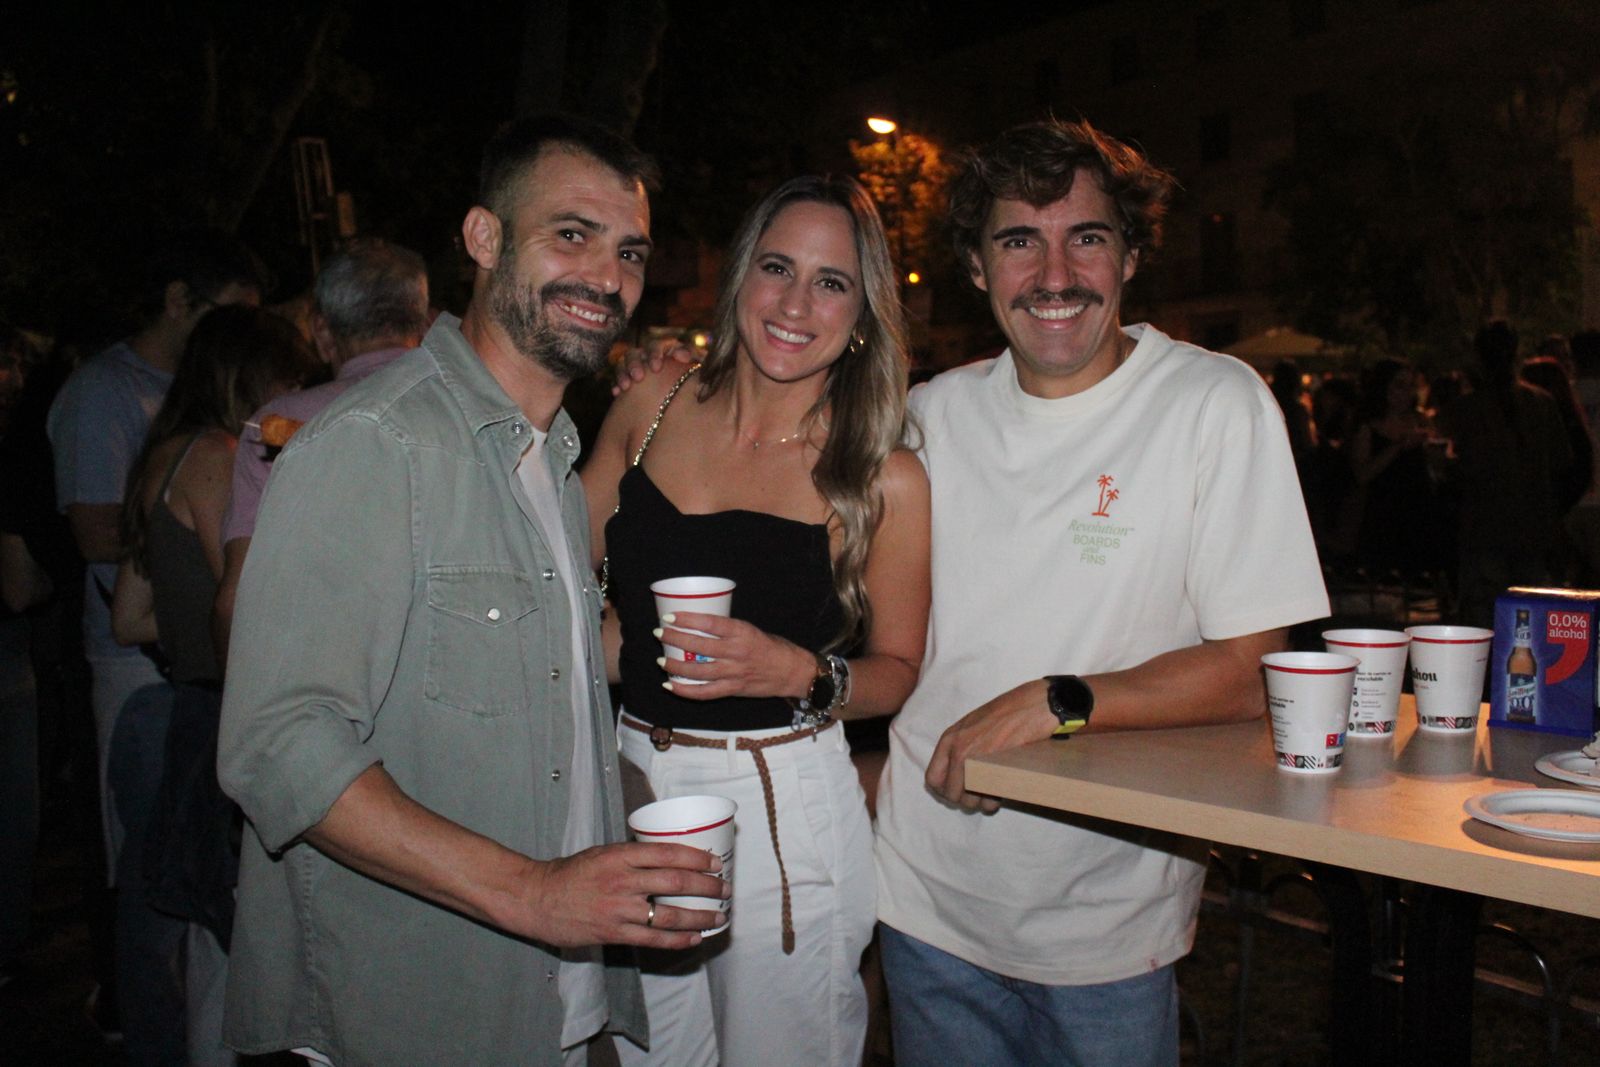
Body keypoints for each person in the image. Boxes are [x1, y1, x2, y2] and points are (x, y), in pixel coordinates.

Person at [217, 114, 727, 1067]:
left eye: (628, 251)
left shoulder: (552, 461)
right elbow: (276, 744)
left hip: (547, 1002)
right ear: (484, 238)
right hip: (410, 1010)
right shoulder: (381, 442)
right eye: (569, 234)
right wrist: (536, 891)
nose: (607, 276)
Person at [869, 118, 1329, 1066]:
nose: (1054, 273)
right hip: (922, 895)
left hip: (1107, 921)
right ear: (975, 264)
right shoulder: (928, 416)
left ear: (1130, 256)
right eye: (1017, 240)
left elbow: (1254, 671)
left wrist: (1059, 700)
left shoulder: (1214, 402)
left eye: (1086, 235)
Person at [581, 174, 930, 1066]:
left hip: (781, 797)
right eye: (777, 267)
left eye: (831, 282)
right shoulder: (648, 408)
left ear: (861, 315)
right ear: (740, 277)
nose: (794, 303)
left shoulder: (881, 473)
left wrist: (799, 672)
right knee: (647, 1054)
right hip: (632, 778)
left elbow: (897, 666)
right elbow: (558, 584)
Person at [47, 231, 262, 1053]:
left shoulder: (178, 417)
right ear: (182, 301)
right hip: (139, 675)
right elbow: (93, 531)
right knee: (167, 886)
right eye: (229, 317)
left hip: (155, 660)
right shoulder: (113, 394)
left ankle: (147, 1033)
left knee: (160, 880)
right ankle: (146, 1026)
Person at [110, 304, 317, 1066]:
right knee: (235, 951)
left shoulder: (160, 452)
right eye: (286, 378)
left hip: (177, 711)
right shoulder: (219, 455)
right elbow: (249, 592)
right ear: (251, 377)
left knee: (197, 943)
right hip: (220, 714)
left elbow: (131, 617)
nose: (294, 393)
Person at [212, 238, 431, 658]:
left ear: (322, 331)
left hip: (332, 673)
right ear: (422, 326)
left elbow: (237, 600)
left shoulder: (279, 425)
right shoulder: (471, 410)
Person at [1442, 321, 1573, 626]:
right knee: (1529, 610)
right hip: (1532, 525)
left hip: (1485, 525)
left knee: (1485, 612)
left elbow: (1456, 465)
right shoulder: (1540, 402)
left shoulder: (1467, 408)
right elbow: (1562, 462)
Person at [1349, 358, 1440, 579]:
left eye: (1410, 386)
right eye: (1399, 385)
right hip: (1384, 513)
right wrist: (1398, 447)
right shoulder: (1369, 425)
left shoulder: (1420, 420)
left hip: (1419, 508)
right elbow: (1362, 474)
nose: (1406, 393)